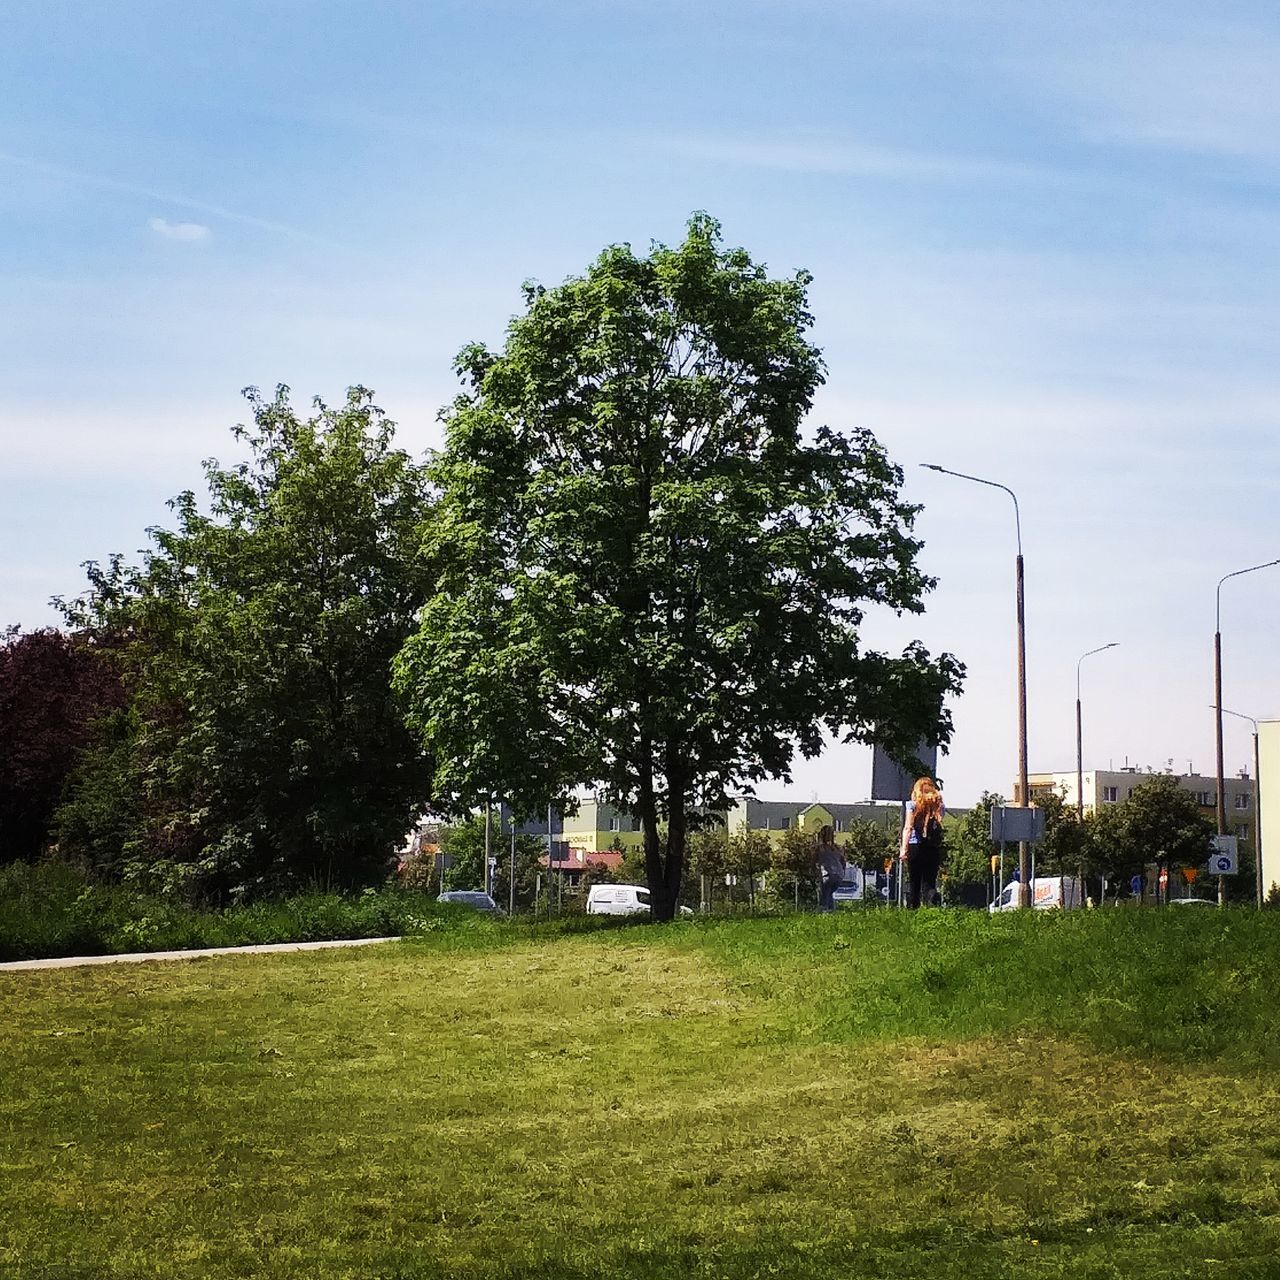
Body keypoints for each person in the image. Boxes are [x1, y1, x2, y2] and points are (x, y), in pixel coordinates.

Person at [899, 777, 945, 908]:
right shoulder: (939, 805)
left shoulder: (912, 805)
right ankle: (932, 899)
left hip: (915, 846)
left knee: (914, 881)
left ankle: (913, 910)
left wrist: (904, 849)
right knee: (929, 881)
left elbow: (908, 828)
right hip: (932, 847)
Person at [815, 825, 846, 913]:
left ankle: (825, 911)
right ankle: (831, 910)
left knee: (825, 894)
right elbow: (843, 862)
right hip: (839, 875)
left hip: (827, 875)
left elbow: (813, 861)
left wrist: (815, 870)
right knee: (829, 893)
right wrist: (842, 872)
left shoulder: (820, 848)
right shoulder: (837, 848)